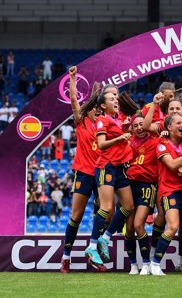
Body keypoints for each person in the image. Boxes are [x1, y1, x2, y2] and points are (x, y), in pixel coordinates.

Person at [84, 91, 135, 271]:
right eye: (111, 99)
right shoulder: (102, 120)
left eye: (116, 99)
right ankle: (91, 247)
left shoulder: (118, 120)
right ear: (103, 106)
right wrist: (120, 137)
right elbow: (101, 144)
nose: (116, 101)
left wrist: (127, 131)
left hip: (119, 168)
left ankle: (105, 238)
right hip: (106, 166)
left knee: (129, 206)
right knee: (106, 207)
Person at [60, 67, 102, 274]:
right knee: (75, 215)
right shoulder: (82, 122)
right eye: (93, 108)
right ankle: (66, 258)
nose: (96, 111)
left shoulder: (106, 125)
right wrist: (73, 78)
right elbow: (74, 100)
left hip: (102, 174)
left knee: (103, 213)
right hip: (84, 172)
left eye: (98, 108)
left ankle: (94, 252)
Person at [149, 114, 182, 276]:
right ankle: (155, 262)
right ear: (169, 127)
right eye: (178, 123)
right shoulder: (162, 144)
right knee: (172, 226)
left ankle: (181, 263)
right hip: (169, 191)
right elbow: (171, 165)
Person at [124, 115, 160, 275]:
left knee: (139, 224)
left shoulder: (156, 140)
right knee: (129, 228)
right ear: (132, 128)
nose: (139, 127)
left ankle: (146, 263)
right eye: (136, 125)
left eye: (141, 124)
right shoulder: (128, 142)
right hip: (129, 186)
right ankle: (133, 264)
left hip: (147, 186)